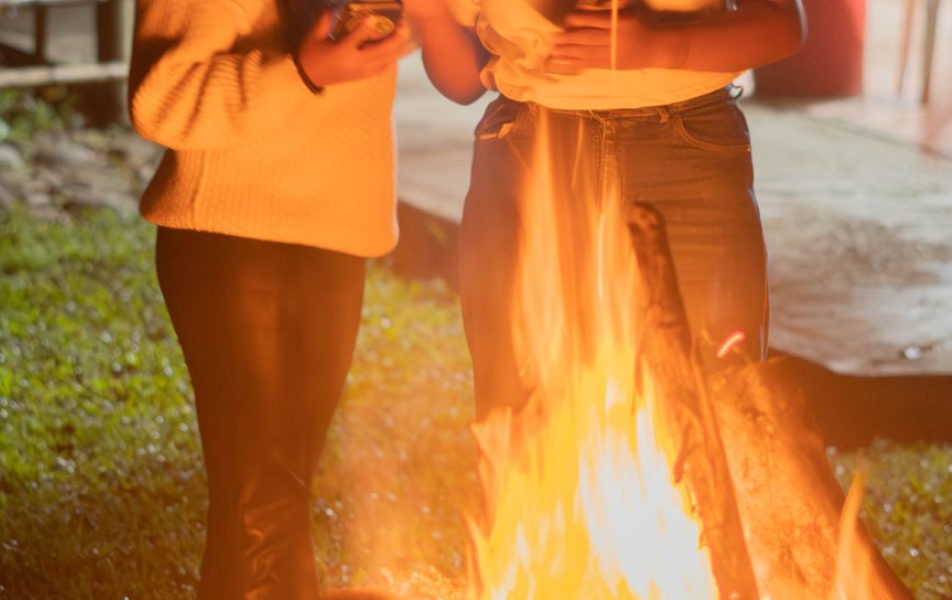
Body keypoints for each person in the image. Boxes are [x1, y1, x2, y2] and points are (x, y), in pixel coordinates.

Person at [403, 0, 805, 418]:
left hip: (686, 155)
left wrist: (657, 45)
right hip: (528, 152)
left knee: (714, 402)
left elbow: (781, 26)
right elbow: (463, 81)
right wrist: (430, 16)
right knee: (522, 408)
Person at [128, 0, 409, 597]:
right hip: (233, 237)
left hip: (336, 230)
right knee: (261, 507)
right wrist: (301, 72)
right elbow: (160, 100)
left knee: (280, 497)